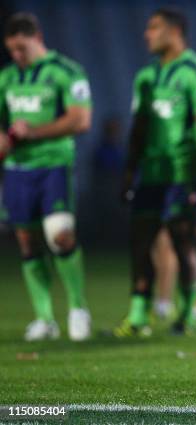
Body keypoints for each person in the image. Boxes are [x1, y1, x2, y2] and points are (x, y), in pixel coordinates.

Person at [115, 7, 196, 337]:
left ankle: (187, 313)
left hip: (183, 172)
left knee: (181, 240)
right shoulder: (146, 77)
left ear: (174, 31)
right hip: (152, 172)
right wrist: (130, 171)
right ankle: (138, 316)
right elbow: (139, 127)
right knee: (140, 241)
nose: (147, 35)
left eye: (153, 28)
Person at [0, 13, 92, 341]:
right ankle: (44, 318)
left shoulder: (67, 72)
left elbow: (80, 120)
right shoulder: (7, 78)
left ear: (37, 38)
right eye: (11, 50)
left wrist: (32, 132)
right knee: (26, 242)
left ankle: (78, 309)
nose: (17, 56)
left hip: (54, 165)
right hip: (17, 170)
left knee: (60, 236)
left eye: (22, 48)